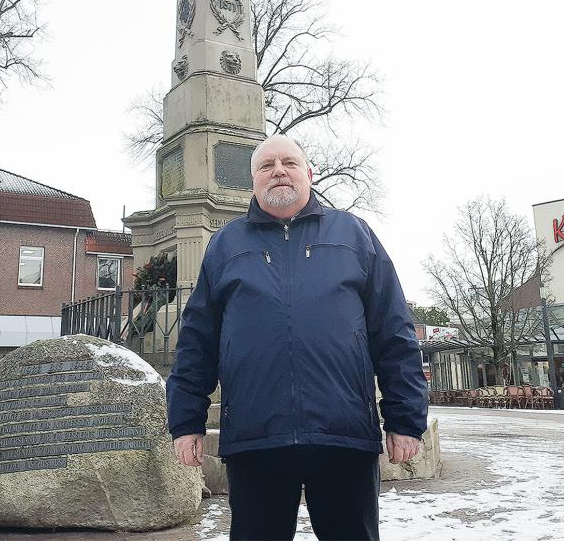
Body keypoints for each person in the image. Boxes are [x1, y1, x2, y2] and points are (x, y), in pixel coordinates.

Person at [166, 135, 428, 540]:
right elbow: (198, 341)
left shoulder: (354, 235)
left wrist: (406, 420)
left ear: (309, 173)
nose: (278, 171)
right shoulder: (226, 245)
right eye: (266, 165)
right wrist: (186, 421)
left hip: (342, 434)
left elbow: (393, 333)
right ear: (252, 181)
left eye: (288, 162)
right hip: (256, 437)